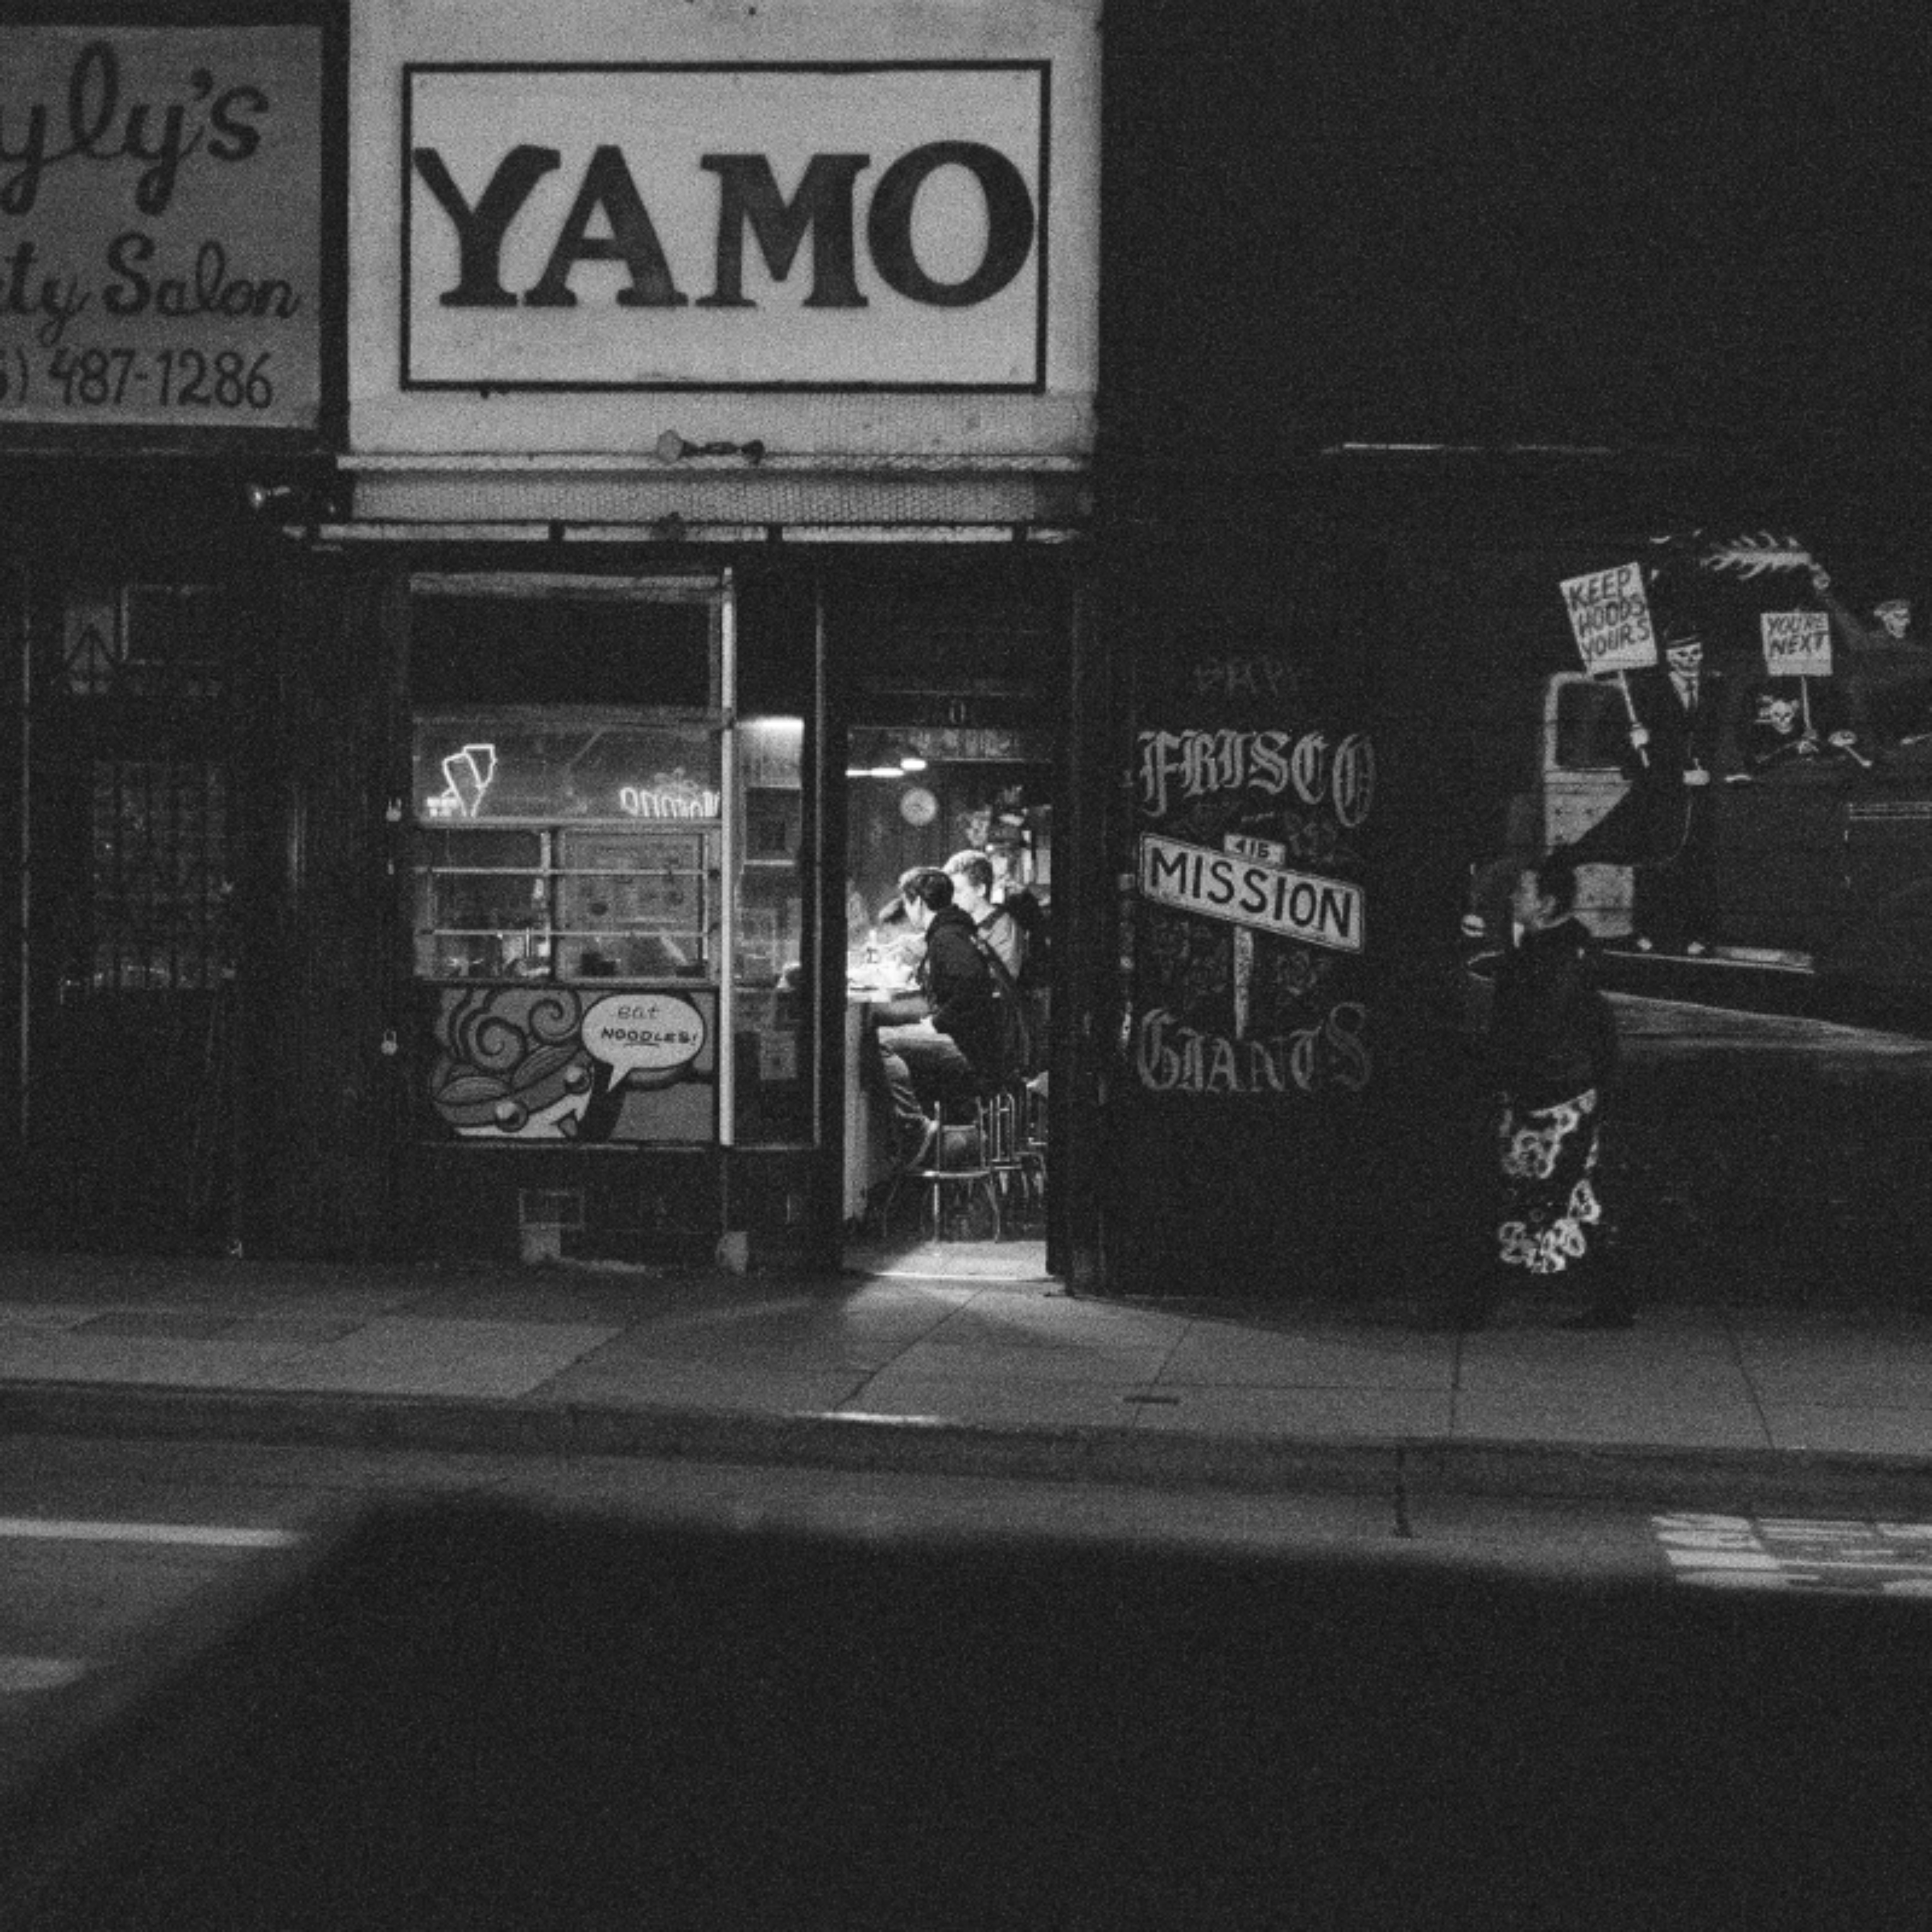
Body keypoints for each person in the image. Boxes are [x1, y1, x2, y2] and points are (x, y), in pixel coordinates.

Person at [1445, 853, 1629, 1331]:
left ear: (1546, 903)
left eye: (1522, 892)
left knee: (1512, 1198)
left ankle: (1473, 1303)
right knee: (1568, 1199)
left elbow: (1532, 1030)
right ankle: (1614, 1298)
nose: (1513, 898)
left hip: (1545, 1097)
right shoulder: (1564, 951)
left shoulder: (1550, 960)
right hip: (1564, 1092)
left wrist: (1494, 1072)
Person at [869, 867, 999, 1166]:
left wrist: (936, 1023)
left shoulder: (947, 937)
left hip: (967, 1049)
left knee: (880, 1040)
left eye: (906, 903)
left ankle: (914, 1127)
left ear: (917, 902)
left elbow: (970, 985)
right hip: (979, 1047)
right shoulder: (957, 930)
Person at [1618, 621, 1730, 955]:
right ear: (1668, 656)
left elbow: (1720, 740)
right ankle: (1647, 933)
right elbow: (1631, 761)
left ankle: (1699, 935)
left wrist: (1710, 774)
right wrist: (1637, 742)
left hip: (1700, 797)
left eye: (1696, 652)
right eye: (1682, 654)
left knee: (1698, 865)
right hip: (1661, 797)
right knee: (1656, 863)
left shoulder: (1714, 688)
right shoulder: (1643, 694)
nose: (1691, 659)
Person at [943, 849, 1026, 978]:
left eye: (958, 892)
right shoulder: (962, 921)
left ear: (981, 890)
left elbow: (1002, 985)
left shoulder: (1005, 930)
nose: (952, 899)